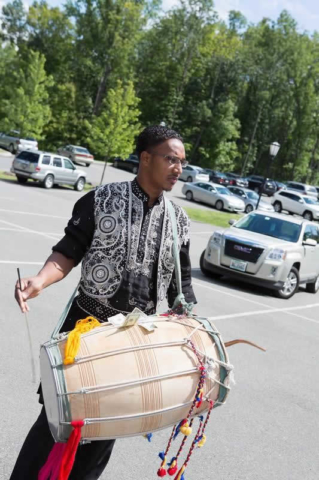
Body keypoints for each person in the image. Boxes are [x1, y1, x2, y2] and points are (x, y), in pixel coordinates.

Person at [11, 124, 197, 480]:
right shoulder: (100, 199)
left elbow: (181, 291)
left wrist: (189, 331)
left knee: (102, 439)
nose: (178, 169)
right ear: (146, 158)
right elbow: (67, 252)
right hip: (83, 335)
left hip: (132, 348)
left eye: (182, 162)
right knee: (54, 425)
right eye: (171, 159)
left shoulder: (179, 222)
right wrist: (38, 280)